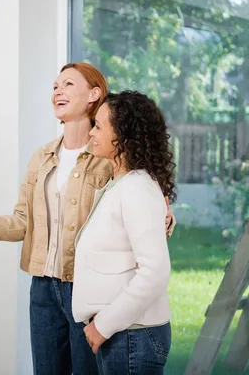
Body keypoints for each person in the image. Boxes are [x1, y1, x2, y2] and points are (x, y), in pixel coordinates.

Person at [0, 63, 176, 374]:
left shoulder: (110, 157)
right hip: (44, 288)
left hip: (85, 288)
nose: (57, 91)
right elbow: (23, 220)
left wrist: (166, 219)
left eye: (68, 84)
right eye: (55, 86)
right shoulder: (43, 157)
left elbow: (149, 205)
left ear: (94, 94)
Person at [72, 90, 176, 374]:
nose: (91, 132)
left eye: (99, 126)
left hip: (132, 336)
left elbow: (155, 271)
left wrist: (103, 327)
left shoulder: (136, 188)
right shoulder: (121, 184)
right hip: (125, 334)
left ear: (123, 138)